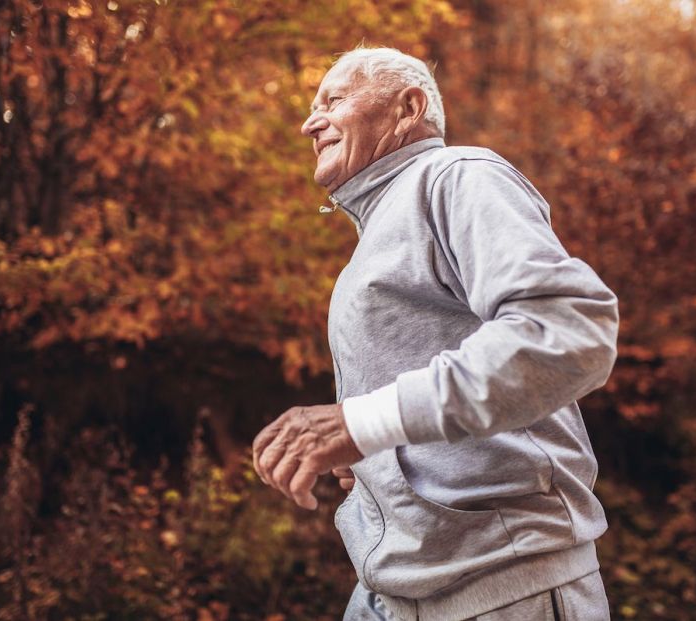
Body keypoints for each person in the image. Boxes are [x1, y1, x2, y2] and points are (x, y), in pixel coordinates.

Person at [252, 47, 619, 621]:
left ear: (408, 108)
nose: (309, 123)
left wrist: (362, 423)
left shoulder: (457, 176)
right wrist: (380, 458)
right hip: (391, 594)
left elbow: (568, 330)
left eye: (334, 100)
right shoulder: (380, 227)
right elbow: (423, 407)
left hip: (503, 587)